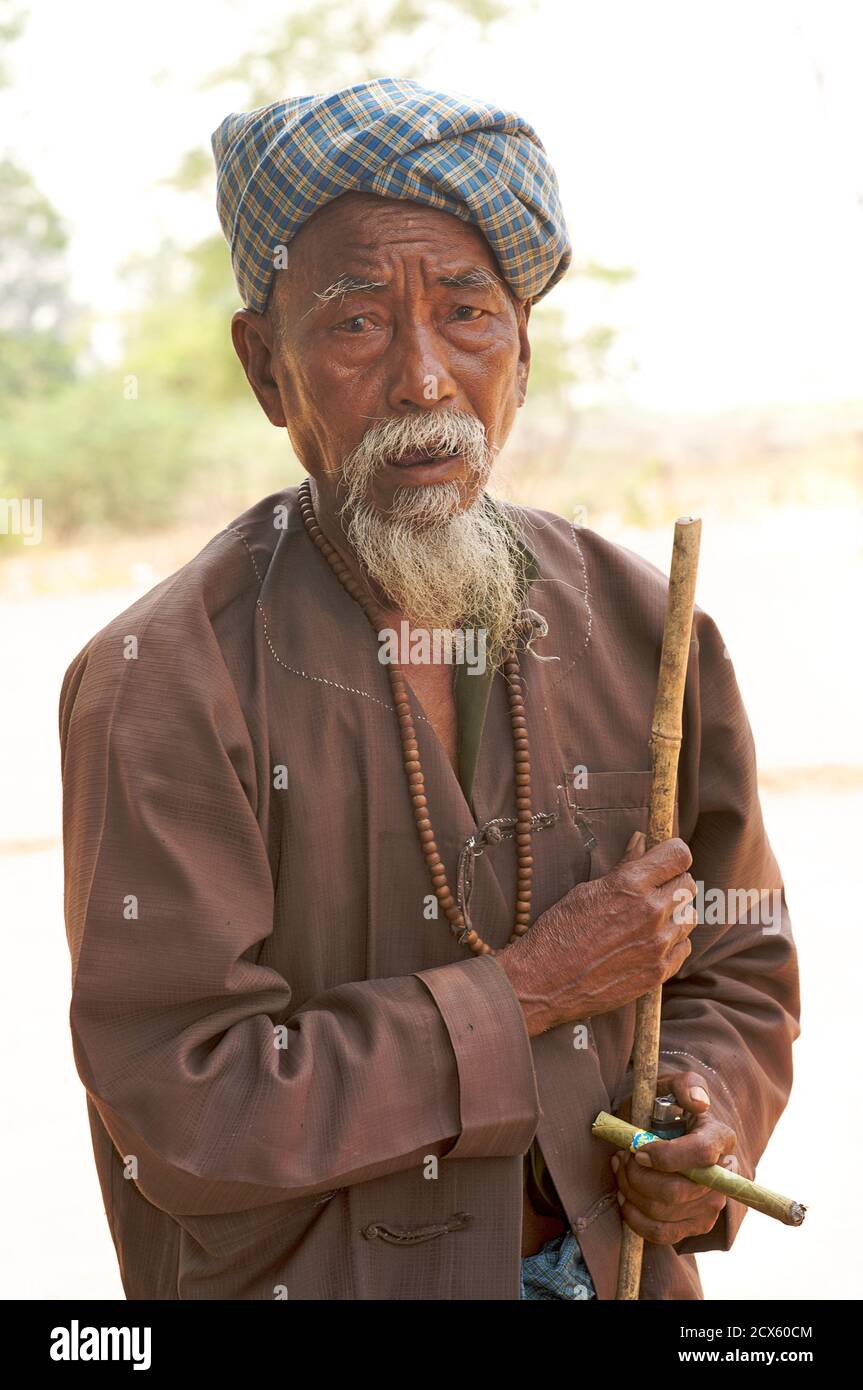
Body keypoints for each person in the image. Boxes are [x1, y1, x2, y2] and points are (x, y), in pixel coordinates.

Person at [59, 78, 800, 1301]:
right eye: (354, 326)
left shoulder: (645, 625)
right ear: (265, 369)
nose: (421, 380)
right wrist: (530, 991)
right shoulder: (161, 680)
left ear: (521, 344)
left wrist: (705, 1113)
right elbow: (179, 1101)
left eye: (466, 314)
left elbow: (736, 959)